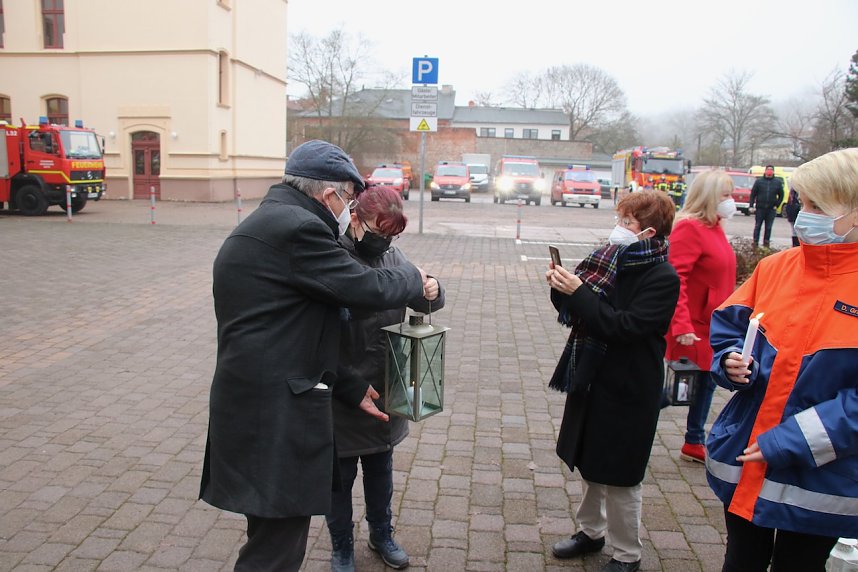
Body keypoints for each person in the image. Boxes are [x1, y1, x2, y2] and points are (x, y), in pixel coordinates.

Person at [199, 140, 429, 572]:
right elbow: (366, 289)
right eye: (347, 198)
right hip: (273, 418)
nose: (348, 210)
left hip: (260, 406)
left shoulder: (275, 220)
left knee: (273, 538)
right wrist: (415, 276)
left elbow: (295, 332)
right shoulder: (299, 229)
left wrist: (351, 385)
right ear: (331, 195)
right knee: (275, 553)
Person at [706, 148, 858, 572]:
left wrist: (787, 441)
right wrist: (729, 362)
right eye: (801, 203)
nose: (801, 215)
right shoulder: (776, 268)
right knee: (741, 561)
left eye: (816, 206)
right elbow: (729, 327)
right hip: (747, 457)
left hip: (821, 475)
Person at [546, 192, 680, 572]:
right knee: (589, 463)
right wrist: (561, 288)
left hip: (630, 387)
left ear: (649, 232)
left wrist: (579, 293)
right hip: (593, 375)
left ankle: (627, 554)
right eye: (620, 218)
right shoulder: (607, 257)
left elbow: (623, 327)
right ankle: (590, 532)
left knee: (621, 476)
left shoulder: (662, 276)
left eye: (628, 223)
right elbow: (578, 310)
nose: (618, 228)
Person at [327, 186, 445, 572]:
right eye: (380, 233)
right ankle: (341, 545)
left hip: (385, 383)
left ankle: (382, 533)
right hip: (342, 387)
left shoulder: (392, 254)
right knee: (339, 478)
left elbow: (425, 301)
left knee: (381, 469)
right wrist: (345, 381)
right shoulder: (332, 255)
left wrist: (433, 288)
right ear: (356, 219)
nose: (386, 242)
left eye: (393, 235)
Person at [664, 170, 737, 464]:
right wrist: (680, 323)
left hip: (713, 323)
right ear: (709, 197)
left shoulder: (714, 226)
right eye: (726, 196)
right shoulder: (690, 229)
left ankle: (694, 440)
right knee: (679, 386)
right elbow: (676, 279)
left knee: (706, 382)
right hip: (693, 324)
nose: (731, 201)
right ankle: (624, 418)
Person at [748, 165, 784, 248]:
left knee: (768, 227)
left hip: (771, 209)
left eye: (771, 170)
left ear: (773, 171)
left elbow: (781, 195)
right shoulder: (759, 181)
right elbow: (753, 194)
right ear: (765, 171)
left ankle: (766, 244)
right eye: (768, 170)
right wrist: (751, 205)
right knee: (757, 226)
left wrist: (777, 205)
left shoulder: (777, 182)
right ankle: (755, 243)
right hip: (760, 208)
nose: (769, 171)